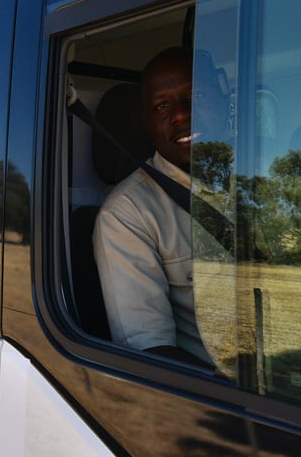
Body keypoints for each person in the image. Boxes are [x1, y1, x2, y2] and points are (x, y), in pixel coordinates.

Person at [92, 47, 227, 369]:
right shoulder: (128, 213)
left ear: (224, 94)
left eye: (196, 95)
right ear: (146, 121)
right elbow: (150, 352)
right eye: (162, 106)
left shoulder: (261, 173)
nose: (181, 114)